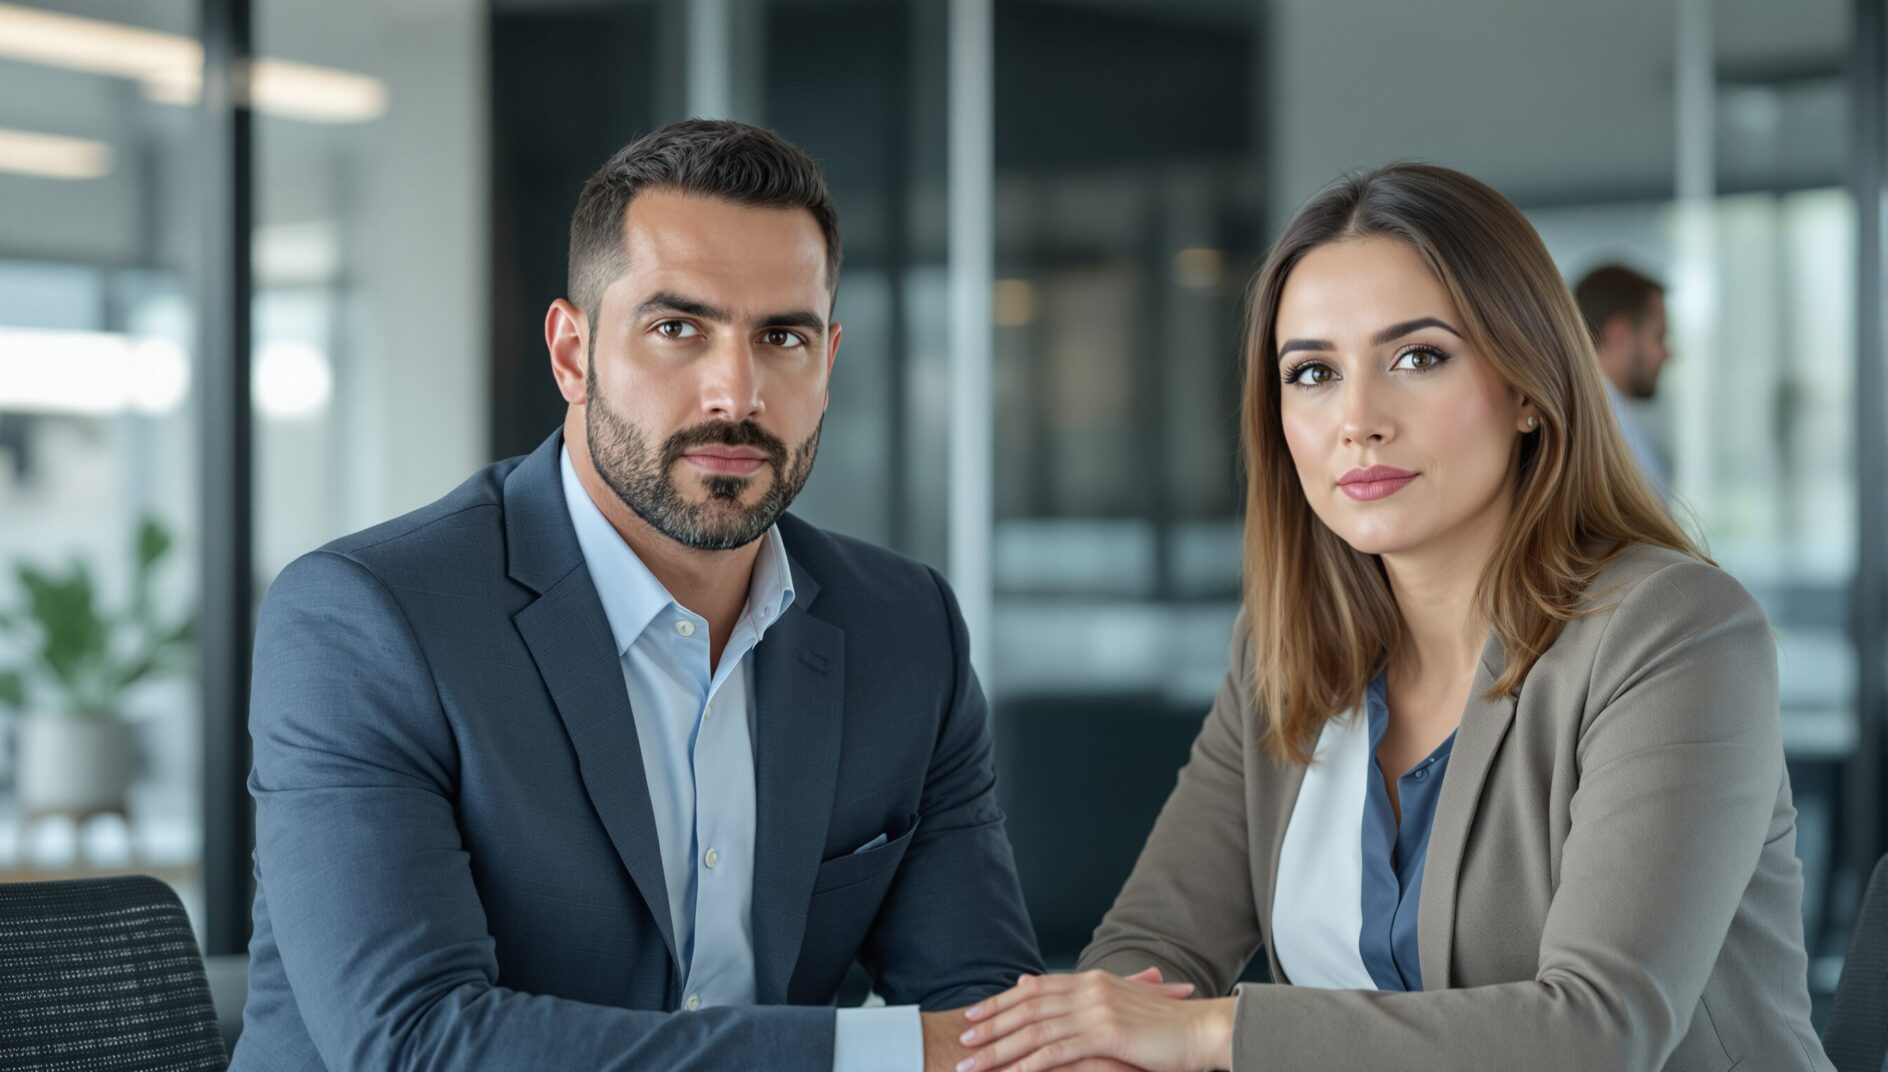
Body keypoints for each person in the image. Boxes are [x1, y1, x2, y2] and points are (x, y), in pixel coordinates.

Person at [232, 119, 1073, 1072]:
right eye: (679, 328)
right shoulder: (368, 623)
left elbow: (992, 1021)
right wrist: (875, 1053)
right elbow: (419, 1045)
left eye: (782, 337)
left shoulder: (903, 628)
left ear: (828, 363)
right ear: (571, 353)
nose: (736, 392)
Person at [950, 164, 1831, 1072]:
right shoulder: (1284, 652)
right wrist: (1103, 1044)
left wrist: (1215, 1034)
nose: (1357, 420)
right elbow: (1153, 952)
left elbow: (1599, 1032)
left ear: (1529, 387)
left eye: (1418, 357)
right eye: (1313, 373)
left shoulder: (1672, 630)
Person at [1574, 264, 1673, 494]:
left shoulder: (1610, 422)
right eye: (1659, 337)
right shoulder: (1590, 435)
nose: (1667, 354)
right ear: (1618, 332)